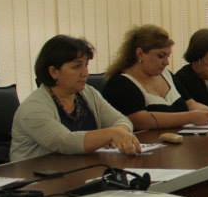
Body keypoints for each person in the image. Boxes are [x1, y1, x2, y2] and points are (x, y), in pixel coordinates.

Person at [10, 35, 140, 161]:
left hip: (82, 168)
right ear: (54, 72)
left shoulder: (88, 93)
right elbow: (65, 142)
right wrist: (111, 134)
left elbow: (121, 120)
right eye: (77, 66)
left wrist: (120, 133)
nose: (85, 73)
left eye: (86, 65)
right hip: (35, 173)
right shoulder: (33, 108)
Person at [103, 25, 208, 130]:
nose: (166, 62)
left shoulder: (166, 74)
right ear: (140, 54)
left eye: (168, 56)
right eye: (161, 56)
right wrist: (190, 117)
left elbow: (190, 104)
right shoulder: (120, 83)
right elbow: (141, 121)